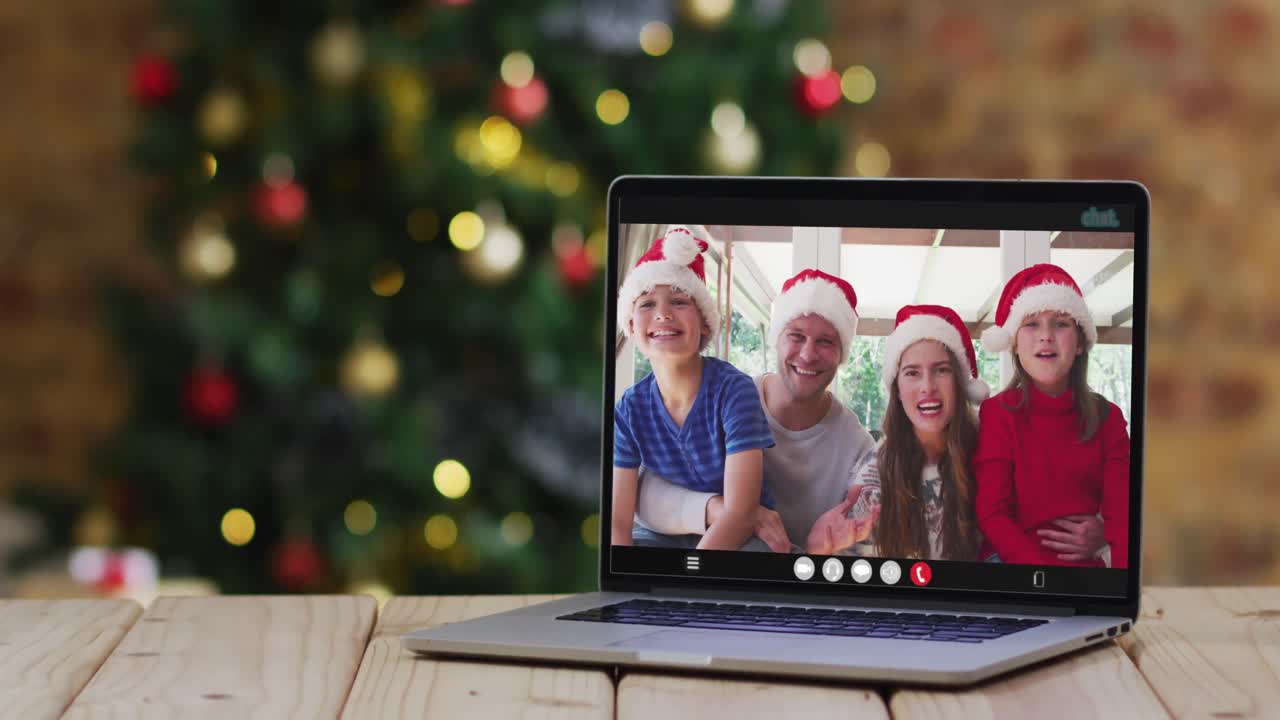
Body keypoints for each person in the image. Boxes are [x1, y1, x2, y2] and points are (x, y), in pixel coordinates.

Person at [634, 269, 878, 553]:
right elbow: (641, 492)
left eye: (825, 341)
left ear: (842, 353)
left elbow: (857, 552)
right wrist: (723, 510)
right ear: (777, 339)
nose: (808, 354)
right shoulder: (724, 398)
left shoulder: (858, 448)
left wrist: (817, 551)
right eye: (796, 336)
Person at [611, 226, 774, 551]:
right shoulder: (629, 408)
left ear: (705, 325)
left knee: (760, 555)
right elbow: (618, 520)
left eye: (679, 300)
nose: (663, 314)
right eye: (647, 304)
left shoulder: (734, 391)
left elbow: (741, 515)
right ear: (630, 326)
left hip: (738, 532)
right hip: (665, 530)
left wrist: (691, 574)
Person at [974, 263, 1130, 568]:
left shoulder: (1108, 419)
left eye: (1060, 324)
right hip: (1013, 568)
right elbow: (993, 515)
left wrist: (1110, 549)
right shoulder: (997, 414)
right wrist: (1043, 576)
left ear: (1081, 342)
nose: (1046, 336)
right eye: (1031, 324)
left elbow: (1123, 518)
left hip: (1085, 573)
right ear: (1014, 343)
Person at [807, 305, 990, 559]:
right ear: (898, 391)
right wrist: (819, 552)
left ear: (959, 384)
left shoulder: (992, 451)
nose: (927, 386)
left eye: (941, 370)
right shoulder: (875, 471)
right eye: (912, 373)